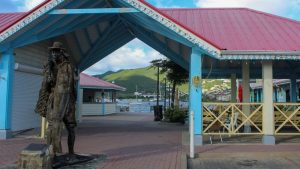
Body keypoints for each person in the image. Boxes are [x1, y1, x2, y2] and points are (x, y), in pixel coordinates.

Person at [35, 41, 77, 156]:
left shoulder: (67, 67)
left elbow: (67, 86)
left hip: (67, 101)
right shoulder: (49, 67)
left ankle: (71, 152)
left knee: (71, 128)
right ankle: (50, 152)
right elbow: (46, 87)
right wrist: (47, 82)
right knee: (51, 126)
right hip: (53, 100)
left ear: (61, 52)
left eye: (56, 51)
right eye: (52, 51)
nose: (54, 54)